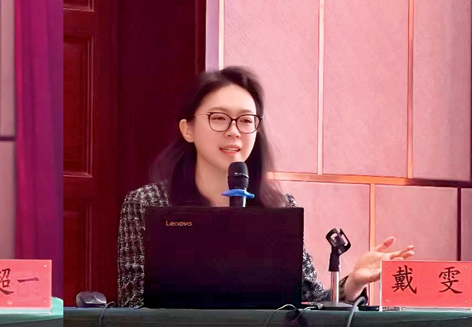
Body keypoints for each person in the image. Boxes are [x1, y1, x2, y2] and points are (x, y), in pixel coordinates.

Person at [116, 66, 415, 307]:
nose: (234, 131)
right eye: (219, 118)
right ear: (188, 129)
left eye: (246, 121)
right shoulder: (148, 203)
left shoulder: (278, 206)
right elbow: (134, 303)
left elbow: (310, 301)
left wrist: (352, 283)